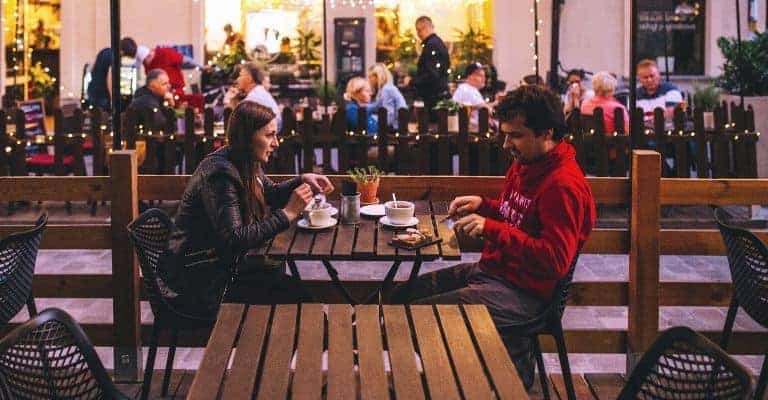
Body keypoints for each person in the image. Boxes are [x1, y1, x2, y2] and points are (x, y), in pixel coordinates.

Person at [391, 85, 596, 390]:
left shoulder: (562, 185)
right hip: (495, 273)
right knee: (403, 296)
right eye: (505, 134)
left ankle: (464, 382)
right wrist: (485, 205)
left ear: (547, 133)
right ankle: (457, 378)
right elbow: (521, 215)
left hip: (527, 296)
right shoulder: (526, 164)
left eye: (515, 135)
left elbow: (554, 260)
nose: (506, 144)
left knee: (421, 318)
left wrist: (490, 228)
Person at [162, 101, 335, 317]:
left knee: (296, 294)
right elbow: (235, 238)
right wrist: (289, 213)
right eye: (269, 135)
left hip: (221, 270)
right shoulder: (220, 174)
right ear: (247, 137)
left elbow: (269, 192)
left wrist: (301, 180)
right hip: (202, 283)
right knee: (300, 304)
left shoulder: (242, 160)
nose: (276, 143)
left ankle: (321, 341)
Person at [408, 16, 450, 121]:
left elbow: (432, 75)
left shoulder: (431, 45)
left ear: (424, 27)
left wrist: (412, 81)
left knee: (430, 129)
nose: (418, 34)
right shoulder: (438, 43)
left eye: (418, 30)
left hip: (433, 98)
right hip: (439, 96)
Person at [87, 37, 138, 111]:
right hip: (104, 95)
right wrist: (113, 100)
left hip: (93, 91)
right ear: (122, 52)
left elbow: (92, 68)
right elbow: (110, 78)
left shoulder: (104, 51)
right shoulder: (115, 57)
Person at [228, 63, 282, 129]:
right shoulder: (261, 92)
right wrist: (234, 100)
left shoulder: (252, 100)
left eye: (240, 75)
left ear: (249, 78)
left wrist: (230, 101)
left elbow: (236, 126)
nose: (237, 79)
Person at [128, 68, 176, 133]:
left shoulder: (157, 98)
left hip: (143, 138)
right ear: (152, 85)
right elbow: (162, 126)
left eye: (168, 83)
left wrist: (170, 104)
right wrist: (171, 106)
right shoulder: (147, 101)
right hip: (140, 141)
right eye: (164, 84)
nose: (169, 86)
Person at [452, 62, 496, 129]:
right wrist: (497, 103)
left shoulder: (467, 88)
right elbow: (484, 108)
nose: (484, 79)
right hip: (469, 131)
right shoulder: (466, 90)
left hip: (470, 129)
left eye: (484, 76)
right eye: (481, 75)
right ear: (470, 76)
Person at [368, 63, 407, 129]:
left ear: (377, 76)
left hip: (395, 128)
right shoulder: (386, 88)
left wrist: (373, 119)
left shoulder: (387, 89)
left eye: (370, 76)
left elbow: (389, 116)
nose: (369, 79)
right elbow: (376, 105)